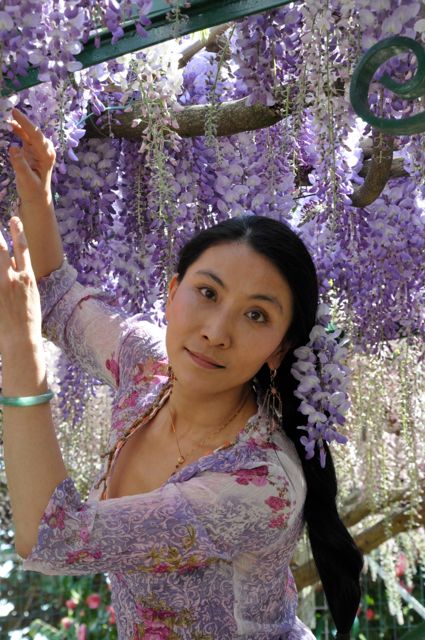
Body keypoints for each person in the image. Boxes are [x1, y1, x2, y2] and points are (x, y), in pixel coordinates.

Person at [1, 108, 363, 640]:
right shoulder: (148, 365)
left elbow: (54, 540)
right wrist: (38, 192)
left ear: (279, 349)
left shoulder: (260, 484)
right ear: (171, 293)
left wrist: (21, 358)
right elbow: (57, 299)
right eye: (208, 292)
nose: (217, 331)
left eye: (256, 314)